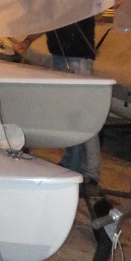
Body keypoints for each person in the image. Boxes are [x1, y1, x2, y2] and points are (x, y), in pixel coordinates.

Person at [45, 16, 101, 188]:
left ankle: (90, 172)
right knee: (70, 114)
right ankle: (72, 164)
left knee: (81, 114)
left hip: (76, 56)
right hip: (63, 53)